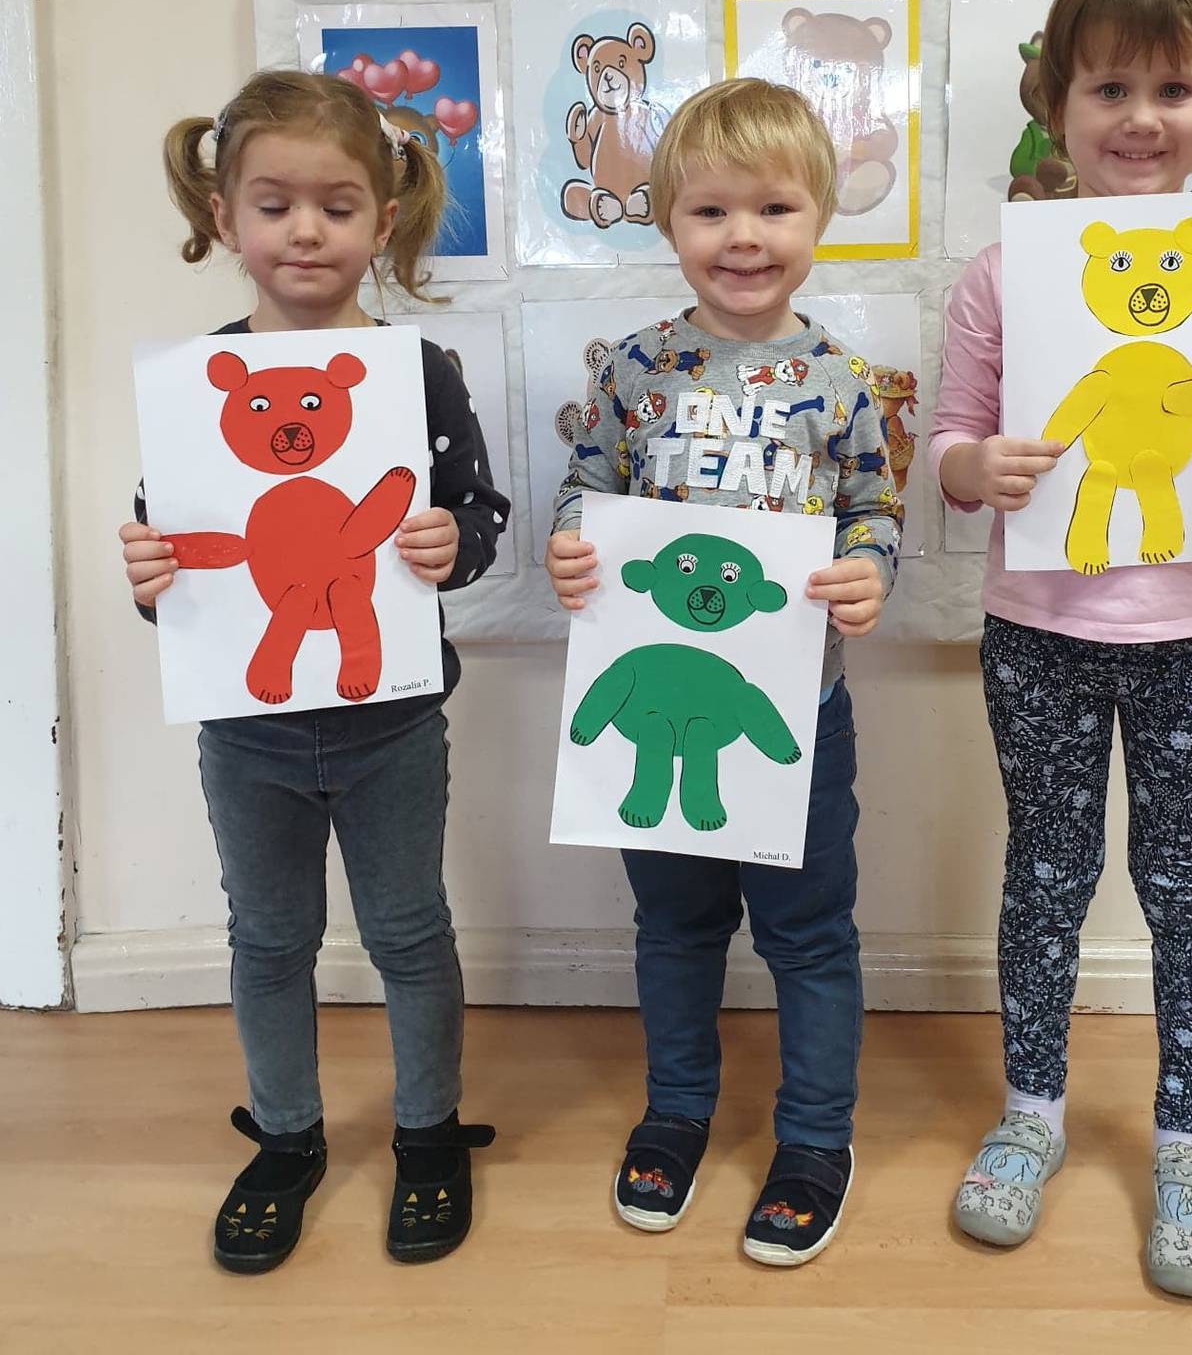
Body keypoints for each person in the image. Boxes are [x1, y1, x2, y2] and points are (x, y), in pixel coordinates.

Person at [931, 0, 1192, 1299]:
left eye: (1173, 88)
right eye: (1109, 87)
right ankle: (1031, 1112)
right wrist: (972, 468)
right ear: (1055, 102)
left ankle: (1188, 1143)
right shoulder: (1001, 275)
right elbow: (951, 444)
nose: (1141, 117)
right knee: (1046, 872)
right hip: (1037, 627)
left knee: (1185, 883)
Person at [117, 71, 509, 1273]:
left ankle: (427, 1132)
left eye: (336, 207)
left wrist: (449, 544)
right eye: (274, 204)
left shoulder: (416, 372)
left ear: (380, 222)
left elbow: (479, 514)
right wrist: (150, 574)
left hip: (392, 722)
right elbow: (176, 550)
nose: (304, 231)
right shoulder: (194, 386)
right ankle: (286, 1136)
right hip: (248, 731)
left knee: (408, 931)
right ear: (224, 216)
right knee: (270, 939)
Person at [545, 78, 902, 1267]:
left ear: (818, 219)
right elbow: (584, 491)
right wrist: (570, 548)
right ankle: (677, 1112)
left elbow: (873, 511)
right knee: (675, 926)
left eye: (773, 208)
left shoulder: (843, 380)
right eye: (709, 212)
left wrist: (868, 572)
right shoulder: (631, 369)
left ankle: (814, 1137)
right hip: (654, 712)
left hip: (796, 713)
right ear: (666, 221)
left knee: (809, 935)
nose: (742, 236)